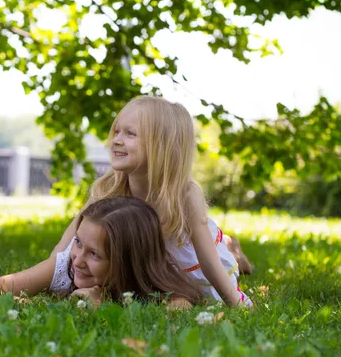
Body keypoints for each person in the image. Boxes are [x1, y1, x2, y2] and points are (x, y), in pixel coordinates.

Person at [50, 96, 252, 307]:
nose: (116, 140)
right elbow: (63, 249)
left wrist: (238, 305)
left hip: (189, 266)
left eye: (130, 134)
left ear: (161, 145)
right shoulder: (107, 189)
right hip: (150, 267)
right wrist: (49, 281)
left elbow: (209, 262)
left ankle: (233, 251)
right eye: (117, 131)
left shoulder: (185, 195)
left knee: (218, 276)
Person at [0, 196, 201, 309]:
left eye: (95, 255)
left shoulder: (159, 290)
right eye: (78, 242)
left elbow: (179, 312)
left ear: (129, 262)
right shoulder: (64, 267)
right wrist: (38, 306)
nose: (78, 260)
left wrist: (104, 307)